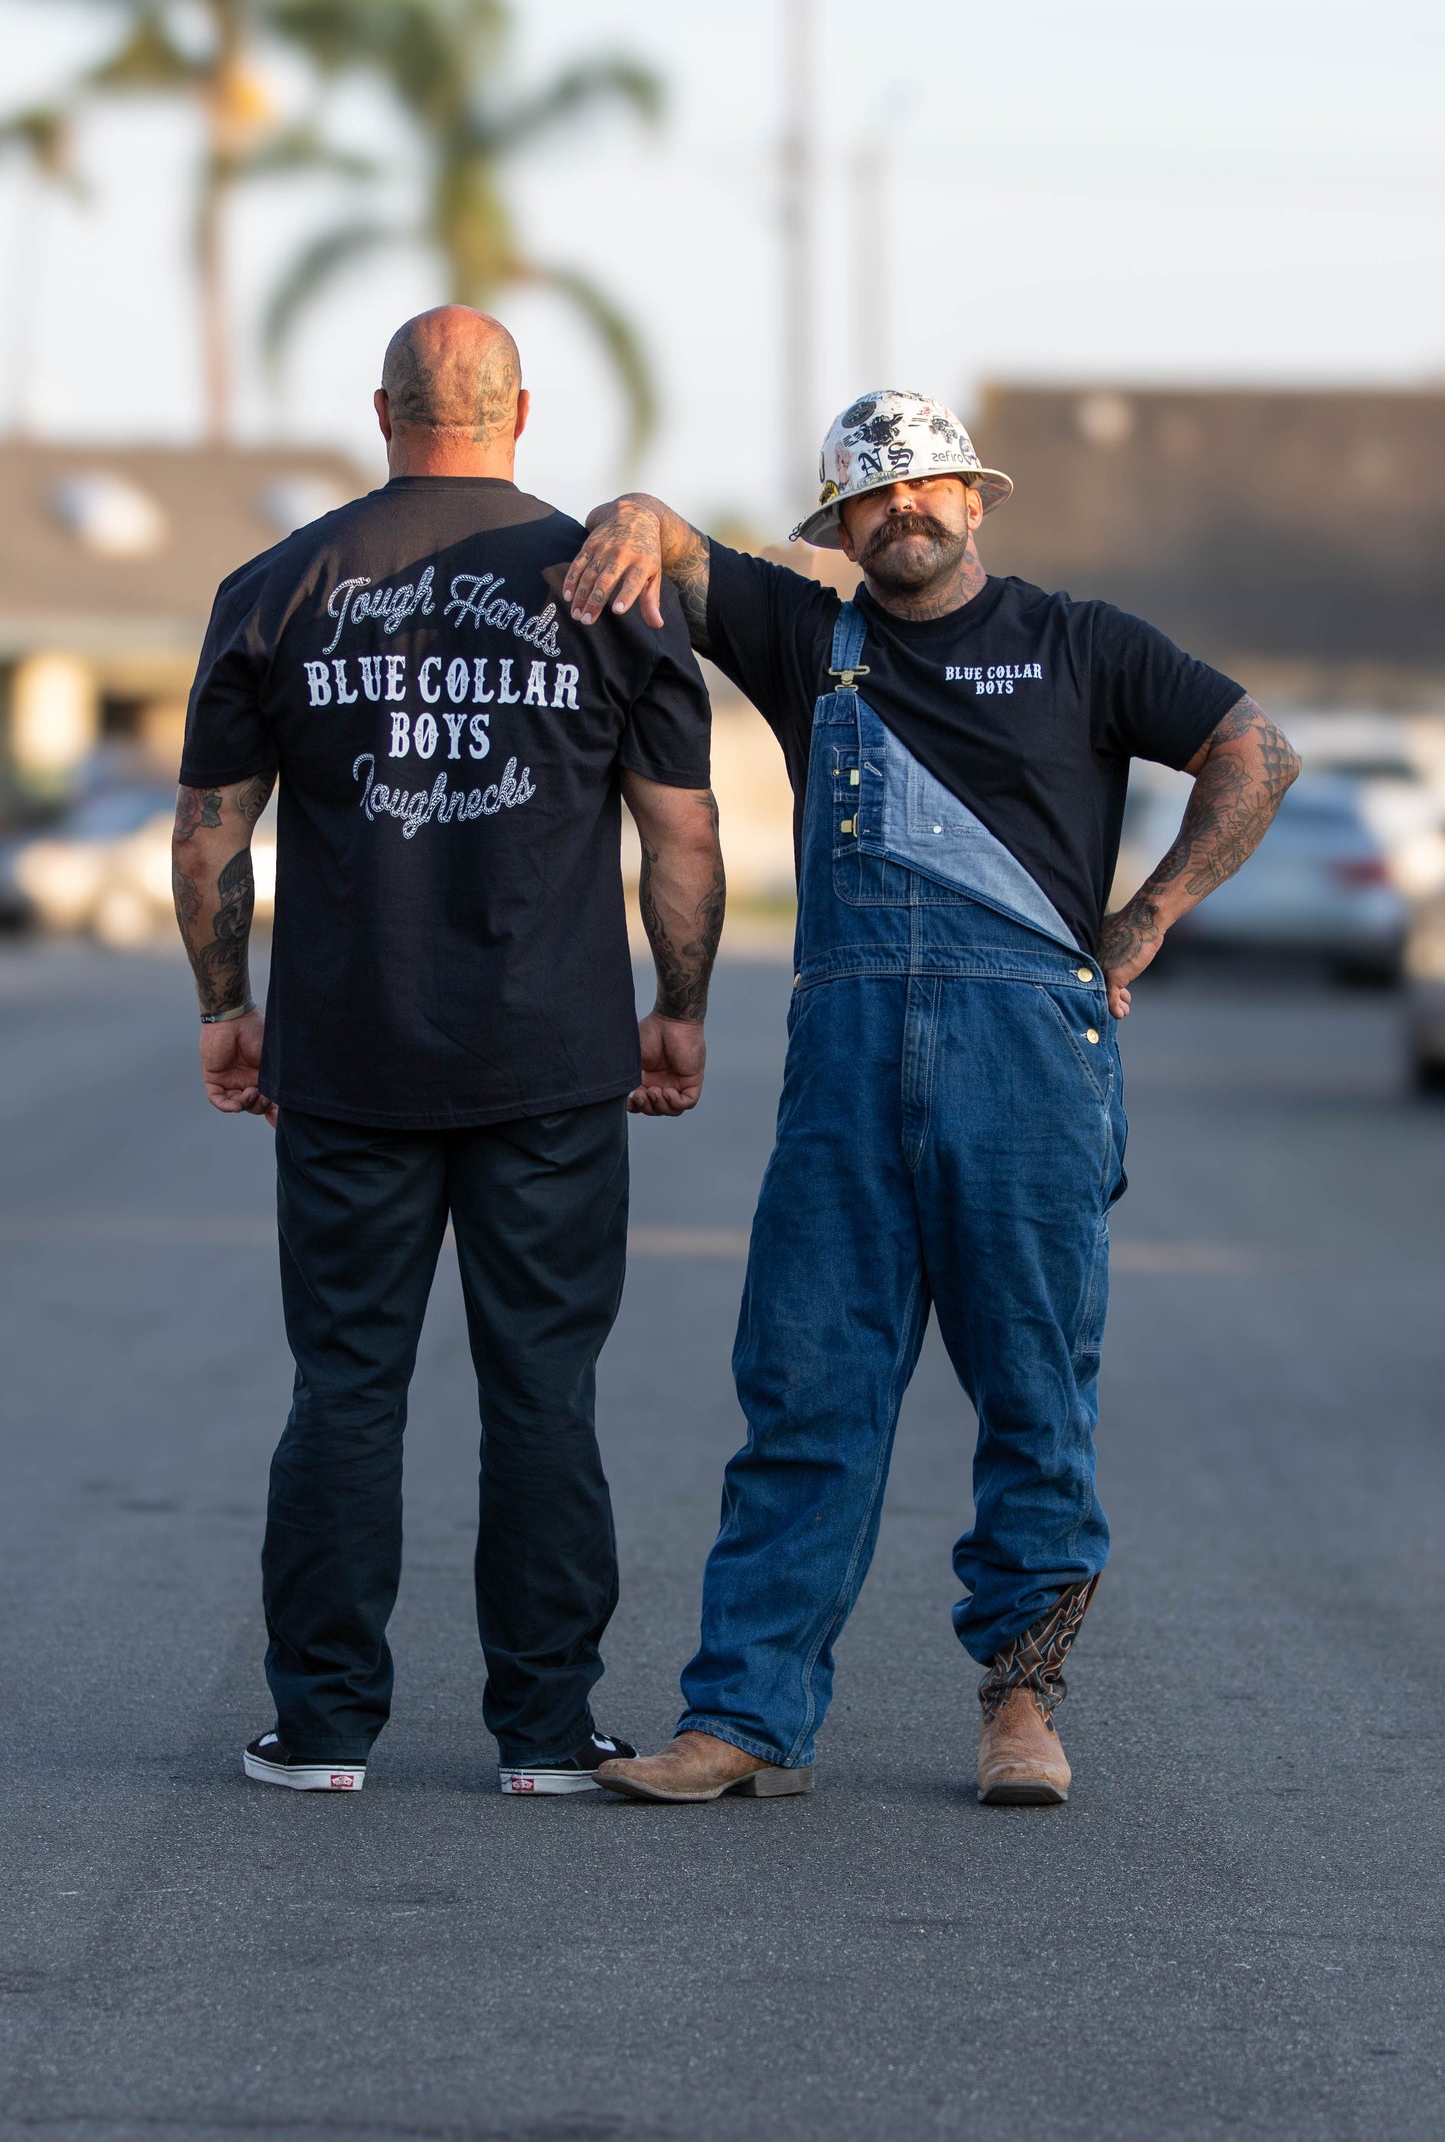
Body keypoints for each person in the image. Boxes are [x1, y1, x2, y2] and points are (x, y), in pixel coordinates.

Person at [562, 388, 1299, 1806]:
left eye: (928, 487)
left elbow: (1253, 754)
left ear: (975, 500)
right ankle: (743, 1722)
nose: (904, 511)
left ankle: (1019, 1707)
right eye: (872, 495)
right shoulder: (801, 637)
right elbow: (668, 541)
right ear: (839, 525)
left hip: (1027, 1061)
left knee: (1032, 1396)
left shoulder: (1079, 643)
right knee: (803, 1392)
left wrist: (1140, 926)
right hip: (844, 1070)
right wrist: (628, 519)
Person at [172, 306, 723, 1796]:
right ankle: (544, 1734)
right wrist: (679, 1006)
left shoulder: (278, 582)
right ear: (520, 411)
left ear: (381, 409)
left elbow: (214, 826)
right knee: (542, 1390)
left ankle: (325, 1729)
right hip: (551, 1057)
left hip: (348, 1052)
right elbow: (679, 828)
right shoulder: (608, 586)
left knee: (345, 1385)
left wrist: (226, 1003)